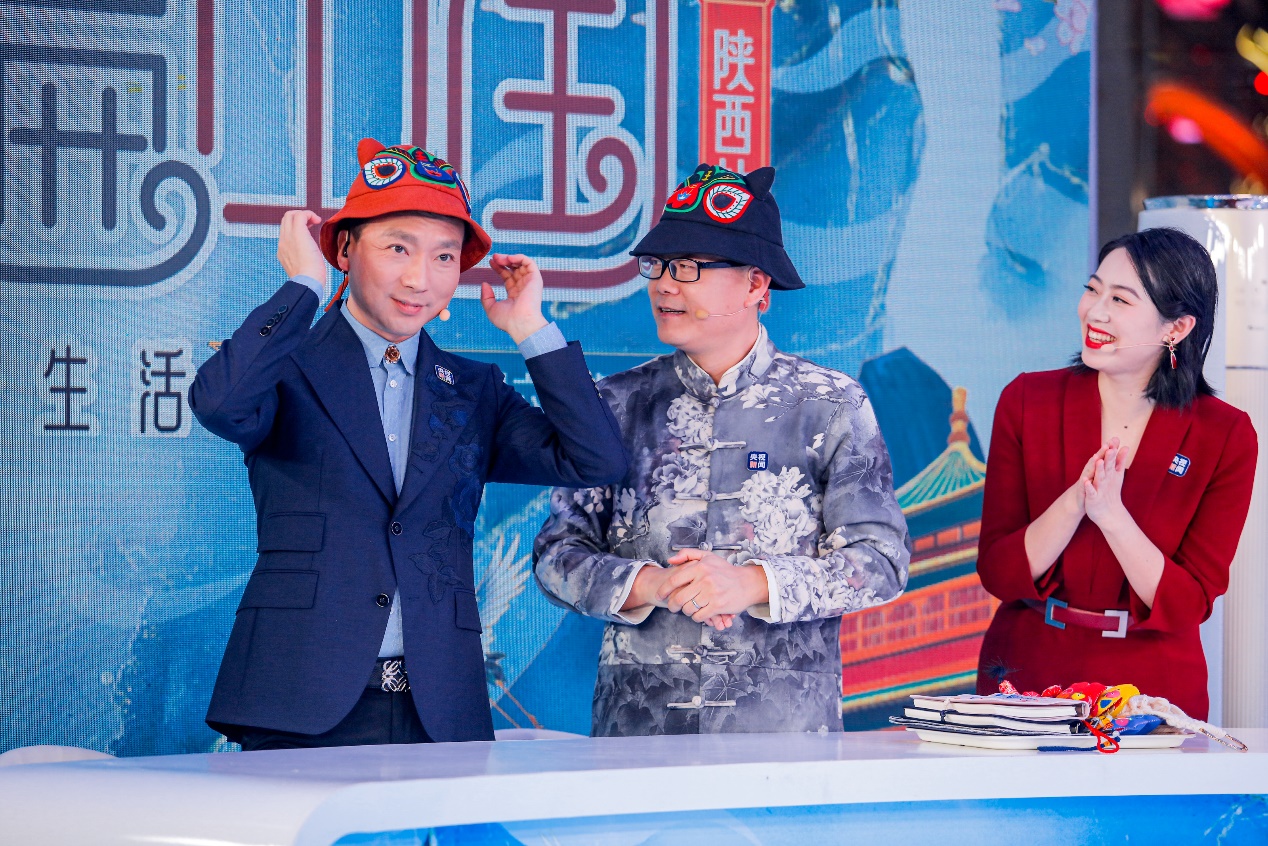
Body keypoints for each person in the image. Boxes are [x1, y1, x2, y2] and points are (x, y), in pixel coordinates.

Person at [191, 138, 627, 749]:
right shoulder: (287, 366)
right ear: (346, 248)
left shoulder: (472, 390)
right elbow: (219, 403)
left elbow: (595, 459)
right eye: (398, 248)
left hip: (439, 706)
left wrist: (531, 326)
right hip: (298, 698)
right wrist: (304, 287)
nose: (420, 278)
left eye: (444, 256)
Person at [533, 163, 911, 736]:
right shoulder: (614, 404)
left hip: (784, 732)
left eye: (689, 267)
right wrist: (652, 585)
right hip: (637, 731)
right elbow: (556, 555)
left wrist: (751, 584)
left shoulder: (830, 404)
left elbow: (882, 560)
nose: (664, 284)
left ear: (757, 285)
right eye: (657, 265)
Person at [976, 227, 1258, 719]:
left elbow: (1189, 602)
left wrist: (1111, 516)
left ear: (1176, 328)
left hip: (1153, 688)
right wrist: (1074, 503)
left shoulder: (1224, 434)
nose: (1095, 311)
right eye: (1093, 290)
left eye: (1120, 300)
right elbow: (998, 571)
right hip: (1026, 676)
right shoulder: (1027, 401)